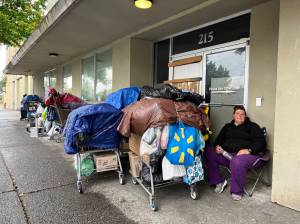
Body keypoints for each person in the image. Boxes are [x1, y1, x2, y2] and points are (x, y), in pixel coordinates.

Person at [204, 105, 266, 201]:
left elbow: (261, 142)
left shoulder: (253, 126)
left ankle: (237, 191)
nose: (240, 115)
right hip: (228, 155)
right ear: (233, 116)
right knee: (209, 151)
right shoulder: (227, 127)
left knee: (237, 160)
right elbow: (218, 140)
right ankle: (218, 181)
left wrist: (248, 150)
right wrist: (218, 146)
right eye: (237, 113)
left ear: (245, 116)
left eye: (242, 114)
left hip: (248, 156)